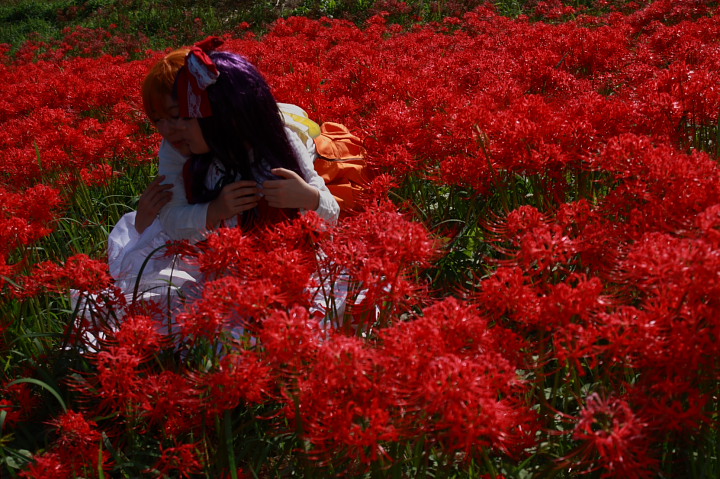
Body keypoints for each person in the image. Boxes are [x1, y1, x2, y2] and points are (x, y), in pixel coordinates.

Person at [156, 37, 339, 245]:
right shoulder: (185, 154)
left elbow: (332, 215)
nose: (178, 128)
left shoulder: (283, 142)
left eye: (188, 118)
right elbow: (171, 224)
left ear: (224, 119)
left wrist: (310, 198)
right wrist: (213, 211)